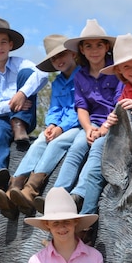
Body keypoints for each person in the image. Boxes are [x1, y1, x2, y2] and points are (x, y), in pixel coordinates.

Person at [67, 33, 132, 216]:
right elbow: (116, 116)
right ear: (119, 71)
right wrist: (108, 124)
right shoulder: (126, 90)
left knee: (101, 149)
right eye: (127, 67)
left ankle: (82, 201)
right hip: (128, 146)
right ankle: (85, 212)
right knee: (99, 151)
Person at [34, 19, 121, 215]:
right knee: (76, 148)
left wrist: (105, 128)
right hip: (92, 123)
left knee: (97, 148)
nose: (94, 50)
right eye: (88, 46)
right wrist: (89, 128)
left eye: (99, 44)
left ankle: (80, 193)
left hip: (115, 124)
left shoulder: (116, 71)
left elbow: (119, 104)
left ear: (107, 46)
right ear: (81, 49)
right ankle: (58, 193)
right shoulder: (81, 75)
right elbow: (81, 107)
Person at [0, 34, 80, 219]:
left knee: (58, 143)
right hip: (59, 125)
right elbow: (55, 107)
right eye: (54, 58)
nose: (58, 60)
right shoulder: (57, 83)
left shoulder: (82, 77)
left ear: (72, 54)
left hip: (77, 125)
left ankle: (31, 189)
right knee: (39, 142)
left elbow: (80, 107)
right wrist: (51, 125)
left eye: (62, 55)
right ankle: (14, 187)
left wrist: (61, 128)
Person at [0, 18, 48, 193]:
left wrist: (22, 94)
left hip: (24, 115)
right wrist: (13, 104)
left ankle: (19, 125)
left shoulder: (21, 63)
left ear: (11, 44)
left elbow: (43, 74)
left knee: (28, 74)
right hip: (1, 117)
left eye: (3, 42)